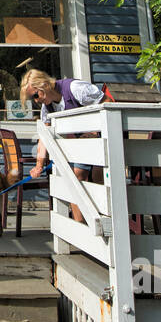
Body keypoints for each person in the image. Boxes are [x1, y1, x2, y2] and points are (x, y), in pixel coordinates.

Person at [21, 69, 105, 224]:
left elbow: (107, 105)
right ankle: (81, 225)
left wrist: (93, 131)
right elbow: (44, 137)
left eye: (35, 95)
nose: (36, 101)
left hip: (101, 140)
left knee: (98, 175)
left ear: (44, 85)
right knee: (73, 177)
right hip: (77, 147)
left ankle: (104, 218)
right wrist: (39, 165)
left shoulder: (75, 89)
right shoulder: (47, 108)